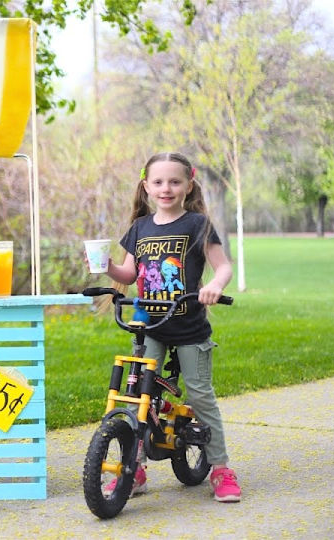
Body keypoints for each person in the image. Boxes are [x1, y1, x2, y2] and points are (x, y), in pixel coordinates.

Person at [104, 151, 240, 503]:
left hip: (190, 327)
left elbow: (222, 266)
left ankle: (221, 468)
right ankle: (135, 469)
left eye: (174, 181)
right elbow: (129, 274)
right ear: (146, 186)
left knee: (199, 394)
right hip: (151, 326)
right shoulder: (140, 228)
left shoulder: (197, 224)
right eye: (159, 182)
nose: (166, 188)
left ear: (188, 185)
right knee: (138, 398)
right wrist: (106, 267)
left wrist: (216, 286)